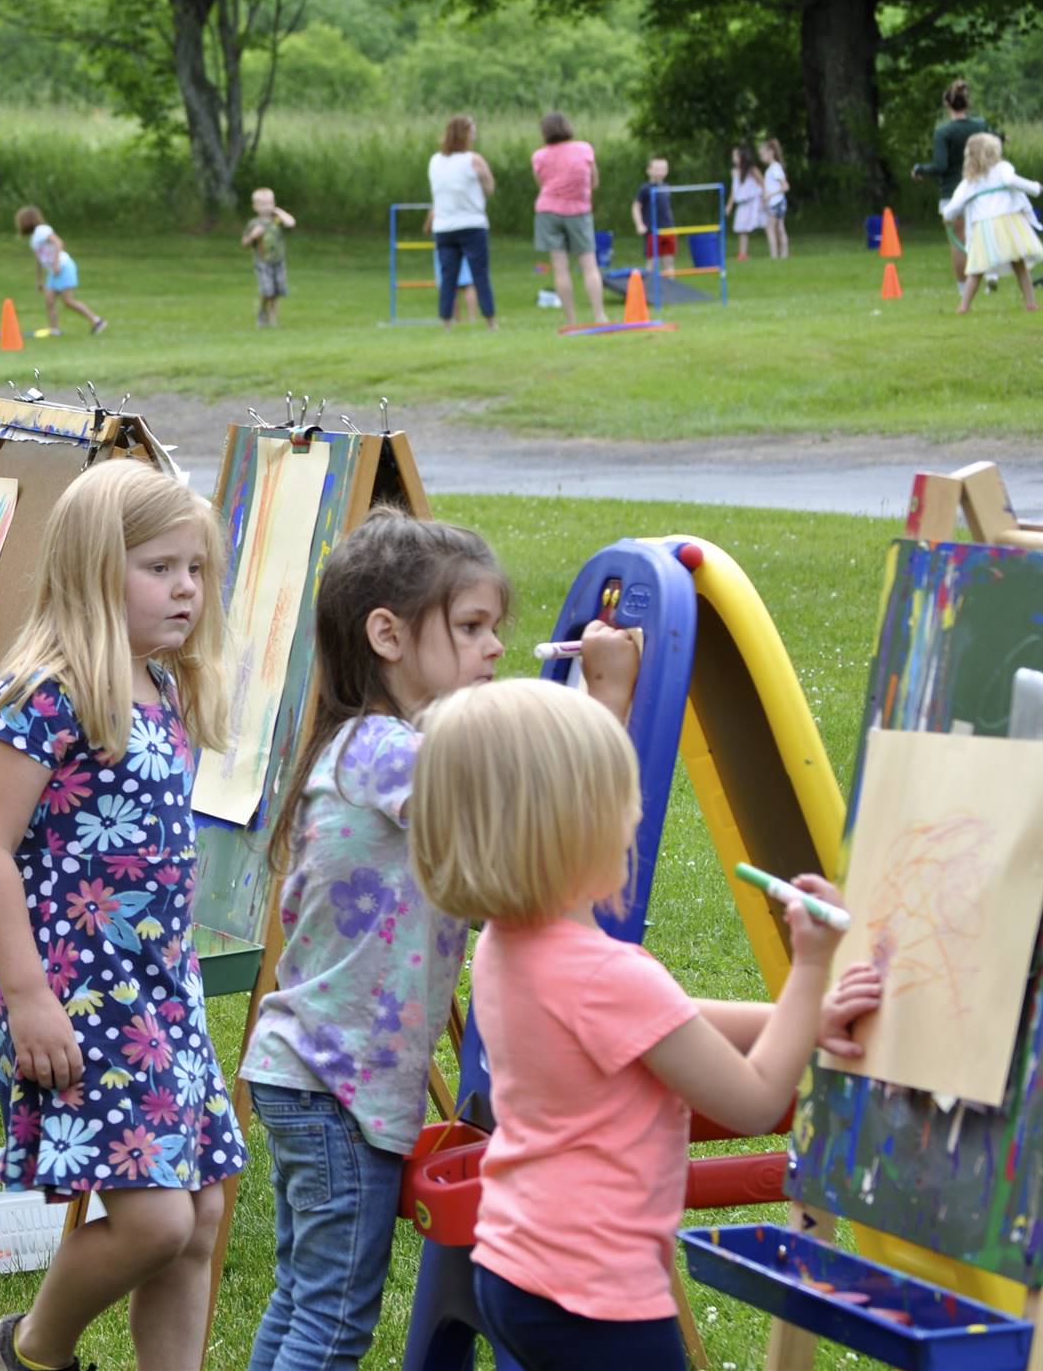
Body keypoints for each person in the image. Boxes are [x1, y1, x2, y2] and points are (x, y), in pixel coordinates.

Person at [242, 512, 638, 1371]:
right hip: (339, 1086)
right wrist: (605, 708)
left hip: (308, 1073)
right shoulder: (393, 755)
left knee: (303, 1299)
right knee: (334, 1321)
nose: (496, 647)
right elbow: (532, 826)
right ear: (386, 634)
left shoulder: (374, 744)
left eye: (496, 626)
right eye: (469, 627)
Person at [409, 679, 883, 1370]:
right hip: (598, 1300)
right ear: (567, 828)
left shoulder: (503, 949)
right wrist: (811, 971)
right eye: (620, 800)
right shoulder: (610, 978)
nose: (634, 816)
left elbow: (668, 1023)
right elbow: (752, 1099)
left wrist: (801, 1019)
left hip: (513, 1268)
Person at [0, 460, 245, 1371]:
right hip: (81, 1001)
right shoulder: (45, 691)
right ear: (94, 568)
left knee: (198, 1214)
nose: (186, 590)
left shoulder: (158, 687)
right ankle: (33, 1349)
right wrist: (27, 995)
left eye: (195, 569)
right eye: (160, 568)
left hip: (163, 993)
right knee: (155, 1219)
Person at [942, 133, 1041, 314]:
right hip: (1009, 223)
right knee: (1018, 263)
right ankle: (1030, 302)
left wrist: (947, 215)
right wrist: (1036, 188)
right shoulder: (1002, 168)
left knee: (977, 268)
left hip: (985, 228)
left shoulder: (971, 179)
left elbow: (956, 203)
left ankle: (964, 305)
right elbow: (1012, 180)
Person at [914, 80, 995, 290]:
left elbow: (941, 165)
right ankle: (989, 279)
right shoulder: (980, 125)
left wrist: (920, 169)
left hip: (953, 192)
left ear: (947, 105)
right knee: (980, 238)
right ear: (967, 103)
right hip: (980, 189)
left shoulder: (944, 132)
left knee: (958, 242)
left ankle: (963, 289)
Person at [530, 112, 608, 328]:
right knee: (589, 265)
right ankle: (599, 315)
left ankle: (570, 320)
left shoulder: (539, 156)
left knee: (560, 268)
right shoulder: (584, 149)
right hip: (579, 211)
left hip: (548, 211)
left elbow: (542, 184)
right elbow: (594, 181)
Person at [426, 115, 497, 331]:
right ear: (466, 134)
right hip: (471, 224)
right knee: (479, 274)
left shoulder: (435, 160)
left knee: (448, 277)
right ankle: (490, 321)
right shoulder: (474, 160)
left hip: (444, 227)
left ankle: (446, 322)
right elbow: (490, 188)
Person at [15, 205, 108, 339]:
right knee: (49, 300)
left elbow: (58, 243)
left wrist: (57, 263)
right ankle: (54, 329)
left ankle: (97, 321)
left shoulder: (43, 230)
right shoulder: (34, 239)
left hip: (64, 267)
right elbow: (39, 260)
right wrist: (39, 280)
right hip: (54, 271)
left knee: (68, 301)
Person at [241, 187, 296, 327]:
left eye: (269, 203)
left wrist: (278, 211)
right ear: (255, 207)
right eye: (263, 204)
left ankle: (273, 320)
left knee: (276, 291)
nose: (266, 207)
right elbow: (244, 243)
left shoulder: (277, 221)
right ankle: (262, 311)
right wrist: (253, 236)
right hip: (262, 262)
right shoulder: (254, 224)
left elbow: (291, 223)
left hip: (278, 261)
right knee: (267, 290)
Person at [631, 156, 677, 266]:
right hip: (653, 230)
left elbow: (667, 207)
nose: (660, 172)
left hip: (668, 229)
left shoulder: (666, 186)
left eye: (663, 169)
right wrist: (639, 225)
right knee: (652, 261)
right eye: (657, 169)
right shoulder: (645, 188)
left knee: (669, 261)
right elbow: (636, 207)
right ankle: (650, 283)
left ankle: (670, 282)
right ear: (649, 171)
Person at [729, 145, 767, 261]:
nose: (733, 158)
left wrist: (764, 199)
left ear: (742, 157)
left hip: (754, 202)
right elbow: (734, 190)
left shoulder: (752, 170)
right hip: (742, 204)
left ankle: (777, 251)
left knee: (766, 226)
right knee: (741, 229)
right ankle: (742, 254)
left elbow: (763, 184)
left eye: (735, 155)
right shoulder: (734, 172)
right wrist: (730, 204)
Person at [758, 138, 791, 260]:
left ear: (770, 152)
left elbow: (785, 186)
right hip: (776, 202)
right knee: (779, 228)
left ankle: (775, 255)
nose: (761, 158)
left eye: (762, 154)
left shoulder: (775, 168)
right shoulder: (771, 169)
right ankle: (783, 255)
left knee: (771, 229)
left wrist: (770, 196)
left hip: (776, 203)